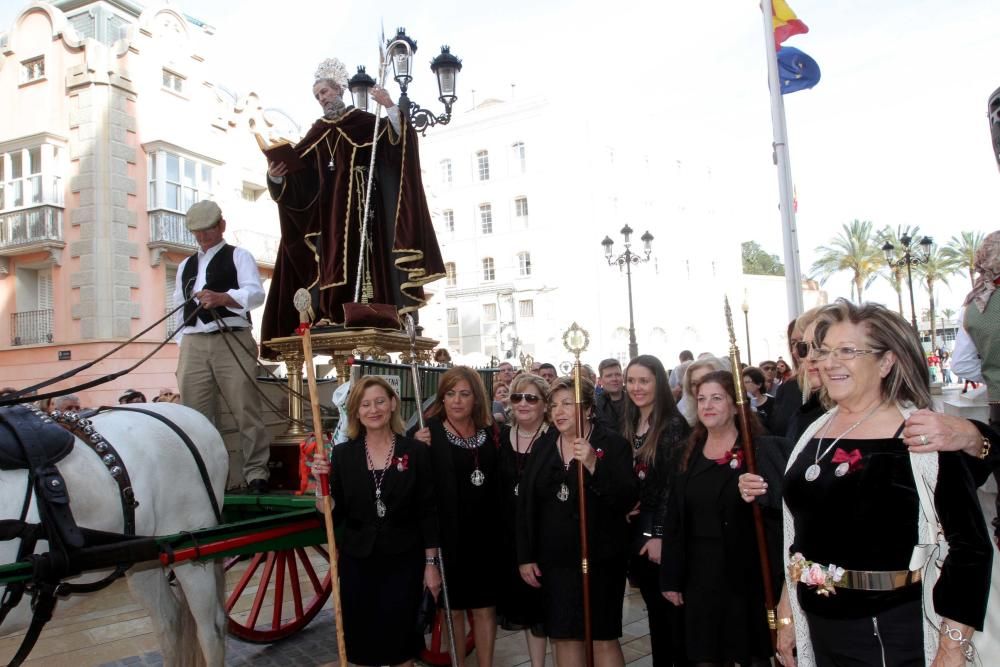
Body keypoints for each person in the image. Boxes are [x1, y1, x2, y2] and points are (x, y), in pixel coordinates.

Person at [775, 300, 992, 667]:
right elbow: (799, 536)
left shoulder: (922, 435)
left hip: (891, 634)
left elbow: (970, 550)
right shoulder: (813, 431)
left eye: (847, 351)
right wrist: (786, 612)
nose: (829, 363)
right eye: (825, 351)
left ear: (886, 362)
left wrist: (951, 648)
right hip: (820, 626)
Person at [261, 58, 444, 345]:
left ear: (338, 90)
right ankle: (331, 312)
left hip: (362, 209)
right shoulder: (316, 132)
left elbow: (397, 143)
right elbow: (300, 177)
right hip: (326, 213)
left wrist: (390, 107)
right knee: (330, 261)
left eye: (324, 92)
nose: (322, 99)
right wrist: (277, 176)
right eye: (317, 95)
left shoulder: (363, 122)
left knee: (366, 259)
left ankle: (368, 308)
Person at [312, 376, 440, 666]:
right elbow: (333, 515)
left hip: (404, 562)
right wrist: (320, 489)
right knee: (363, 646)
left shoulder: (414, 451)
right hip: (358, 563)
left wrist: (431, 566)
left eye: (380, 401)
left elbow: (428, 512)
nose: (374, 409)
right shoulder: (344, 455)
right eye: (365, 404)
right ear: (356, 412)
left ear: (393, 404)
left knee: (401, 646)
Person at [517, 375, 637, 666]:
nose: (558, 411)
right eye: (554, 404)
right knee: (565, 636)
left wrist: (595, 465)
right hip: (554, 562)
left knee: (602, 637)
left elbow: (625, 499)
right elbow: (526, 505)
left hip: (600, 559)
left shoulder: (612, 444)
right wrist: (526, 556)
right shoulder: (544, 446)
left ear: (587, 409)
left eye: (568, 404)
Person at [660, 370, 773, 666]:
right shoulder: (687, 452)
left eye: (716, 398)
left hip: (742, 576)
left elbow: (771, 518)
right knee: (704, 655)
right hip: (699, 575)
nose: (707, 406)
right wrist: (671, 576)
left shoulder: (756, 451)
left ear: (735, 404)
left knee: (748, 653)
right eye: (701, 399)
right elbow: (674, 517)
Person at [173, 200, 271, 493]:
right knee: (194, 412)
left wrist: (223, 298)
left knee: (244, 407)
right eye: (197, 232)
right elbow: (179, 305)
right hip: (193, 339)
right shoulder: (184, 265)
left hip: (231, 337)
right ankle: (207, 474)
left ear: (221, 226)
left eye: (207, 230)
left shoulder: (239, 255)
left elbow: (255, 294)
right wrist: (182, 342)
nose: (202, 238)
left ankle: (256, 473)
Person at [411, 367, 500, 667]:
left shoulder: (489, 433)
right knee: (455, 610)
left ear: (476, 398)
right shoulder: (428, 434)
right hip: (450, 538)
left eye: (464, 394)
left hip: (485, 537)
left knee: (486, 608)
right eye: (450, 394)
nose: (457, 401)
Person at [621, 356, 690, 666]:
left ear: (659, 383)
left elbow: (672, 487)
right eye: (632, 381)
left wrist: (658, 533)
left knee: (670, 616)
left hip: (661, 533)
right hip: (637, 531)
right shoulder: (630, 422)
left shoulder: (672, 425)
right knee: (655, 615)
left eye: (644, 381)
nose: (637, 387)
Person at [497, 374, 554, 667]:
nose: (523, 403)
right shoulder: (499, 437)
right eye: (517, 397)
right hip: (511, 538)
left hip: (546, 539)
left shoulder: (555, 438)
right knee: (528, 612)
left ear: (545, 405)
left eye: (531, 398)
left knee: (550, 613)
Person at [677, 356, 727, 426]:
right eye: (694, 383)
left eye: (706, 381)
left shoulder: (744, 427)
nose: (699, 388)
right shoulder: (688, 426)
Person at [594, 358, 626, 432]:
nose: (614, 379)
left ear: (623, 377)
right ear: (601, 381)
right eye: (609, 376)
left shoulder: (635, 402)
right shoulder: (594, 406)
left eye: (618, 374)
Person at [741, 366, 774, 431]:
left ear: (759, 384)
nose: (742, 386)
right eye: (741, 383)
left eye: (747, 382)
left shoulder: (773, 403)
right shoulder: (741, 405)